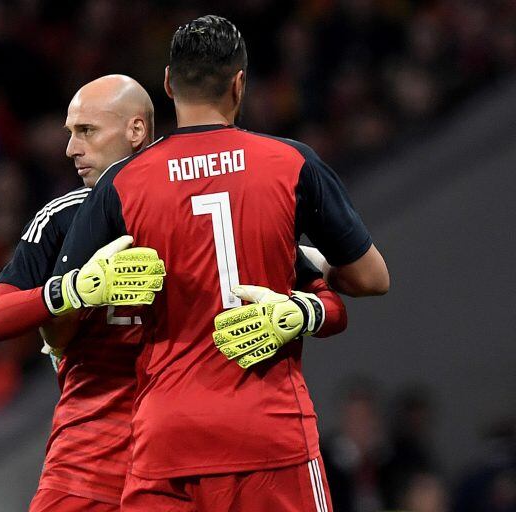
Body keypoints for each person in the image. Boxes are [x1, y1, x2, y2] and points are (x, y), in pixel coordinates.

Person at [51, 15, 389, 511]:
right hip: (271, 432)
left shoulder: (121, 183)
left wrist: (86, 289)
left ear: (168, 83)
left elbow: (57, 329)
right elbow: (372, 278)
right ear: (239, 84)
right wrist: (306, 304)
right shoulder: (291, 163)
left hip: (166, 439)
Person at [0, 74, 348, 511]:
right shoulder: (63, 216)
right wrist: (70, 290)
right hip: (89, 463)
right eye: (70, 133)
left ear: (136, 131)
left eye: (86, 131)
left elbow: (334, 298)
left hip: (181, 461)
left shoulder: (200, 204)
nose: (70, 149)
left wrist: (301, 308)